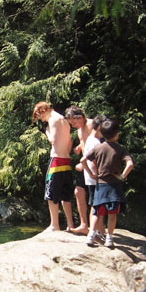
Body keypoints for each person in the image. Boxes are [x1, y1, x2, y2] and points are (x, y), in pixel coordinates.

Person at [81, 118, 134, 248]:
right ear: (117, 134)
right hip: (114, 186)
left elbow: (83, 160)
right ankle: (109, 238)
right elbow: (130, 164)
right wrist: (122, 176)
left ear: (103, 134)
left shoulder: (98, 148)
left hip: (100, 185)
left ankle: (91, 235)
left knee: (97, 212)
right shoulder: (121, 149)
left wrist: (92, 174)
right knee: (112, 214)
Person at [32, 101, 75, 231]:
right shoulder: (64, 120)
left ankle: (54, 225)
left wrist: (46, 131)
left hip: (56, 160)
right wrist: (66, 153)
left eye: (40, 117)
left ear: (42, 111)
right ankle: (70, 224)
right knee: (66, 194)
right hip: (66, 160)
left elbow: (53, 140)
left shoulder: (53, 120)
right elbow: (70, 141)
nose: (42, 120)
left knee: (51, 194)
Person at [65, 106, 94, 234]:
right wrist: (79, 147)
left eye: (74, 122)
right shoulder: (80, 130)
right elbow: (86, 143)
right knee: (78, 192)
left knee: (94, 197)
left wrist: (85, 162)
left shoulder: (92, 124)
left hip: (94, 165)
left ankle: (95, 228)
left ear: (80, 117)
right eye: (71, 123)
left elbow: (98, 145)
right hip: (84, 164)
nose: (73, 125)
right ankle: (83, 224)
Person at [81, 114, 108, 243]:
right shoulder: (96, 143)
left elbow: (84, 161)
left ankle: (100, 231)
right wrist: (96, 174)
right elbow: (92, 162)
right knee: (96, 206)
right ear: (99, 128)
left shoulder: (90, 140)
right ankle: (95, 232)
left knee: (96, 205)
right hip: (95, 179)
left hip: (91, 178)